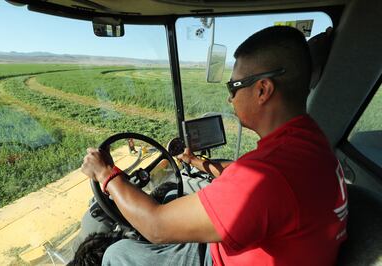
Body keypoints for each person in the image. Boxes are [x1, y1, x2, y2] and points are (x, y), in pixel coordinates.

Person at [81, 26, 348, 266]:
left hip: (217, 258)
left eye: (234, 86)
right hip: (251, 245)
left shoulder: (270, 177)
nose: (230, 98)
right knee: (175, 198)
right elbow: (251, 180)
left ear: (263, 90)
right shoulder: (310, 142)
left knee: (118, 253)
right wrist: (201, 164)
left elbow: (156, 226)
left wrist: (106, 174)